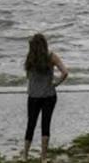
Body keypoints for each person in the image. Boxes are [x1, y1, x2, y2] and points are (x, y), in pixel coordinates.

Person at [23, 33, 68, 162]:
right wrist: (56, 83)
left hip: (33, 96)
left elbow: (28, 77)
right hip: (49, 95)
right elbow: (65, 72)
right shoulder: (51, 57)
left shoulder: (30, 58)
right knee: (45, 125)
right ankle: (43, 158)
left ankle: (25, 155)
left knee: (30, 124)